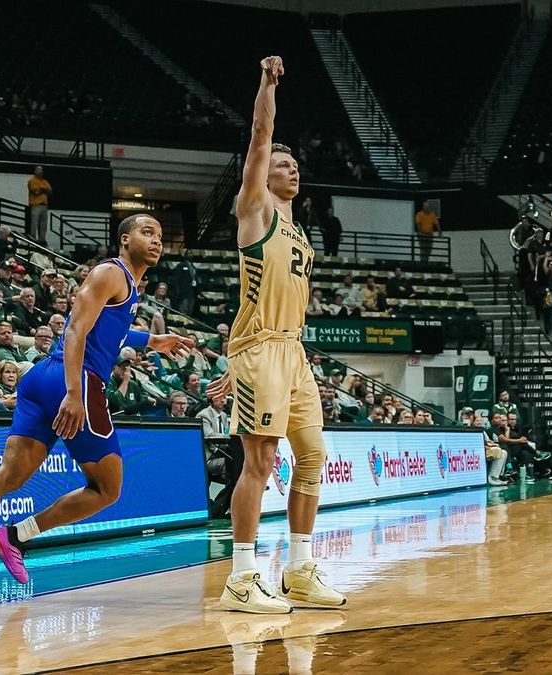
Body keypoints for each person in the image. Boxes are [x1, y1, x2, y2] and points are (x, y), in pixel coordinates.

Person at [0, 214, 193, 602]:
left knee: (11, 475)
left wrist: (152, 339)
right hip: (75, 379)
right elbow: (75, 330)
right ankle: (15, 535)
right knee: (107, 489)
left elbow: (108, 330)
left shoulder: (126, 284)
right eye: (146, 232)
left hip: (40, 379)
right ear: (123, 239)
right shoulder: (111, 273)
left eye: (160, 235)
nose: (156, 241)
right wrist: (73, 393)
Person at [204, 55, 346, 615]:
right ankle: (241, 577)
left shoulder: (298, 230)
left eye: (293, 166)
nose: (290, 169)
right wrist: (266, 87)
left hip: (293, 350)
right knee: (259, 461)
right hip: (259, 347)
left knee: (312, 456)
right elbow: (261, 137)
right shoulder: (255, 209)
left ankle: (298, 570)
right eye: (282, 164)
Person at [26, 165, 52, 245]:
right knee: (34, 223)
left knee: (43, 225)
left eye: (41, 170)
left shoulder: (44, 181)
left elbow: (50, 192)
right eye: (38, 170)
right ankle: (33, 239)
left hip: (44, 205)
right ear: (35, 171)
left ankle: (42, 240)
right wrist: (44, 190)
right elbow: (35, 192)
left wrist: (42, 189)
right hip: (35, 205)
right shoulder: (32, 180)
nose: (40, 171)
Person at [414, 200, 440, 265]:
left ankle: (425, 260)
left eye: (428, 206)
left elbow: (436, 224)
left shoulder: (432, 214)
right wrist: (420, 233)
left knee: (429, 249)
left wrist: (440, 232)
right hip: (422, 234)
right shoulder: (419, 214)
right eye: (425, 206)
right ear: (423, 207)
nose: (427, 208)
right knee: (423, 249)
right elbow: (418, 224)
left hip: (430, 235)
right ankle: (423, 262)